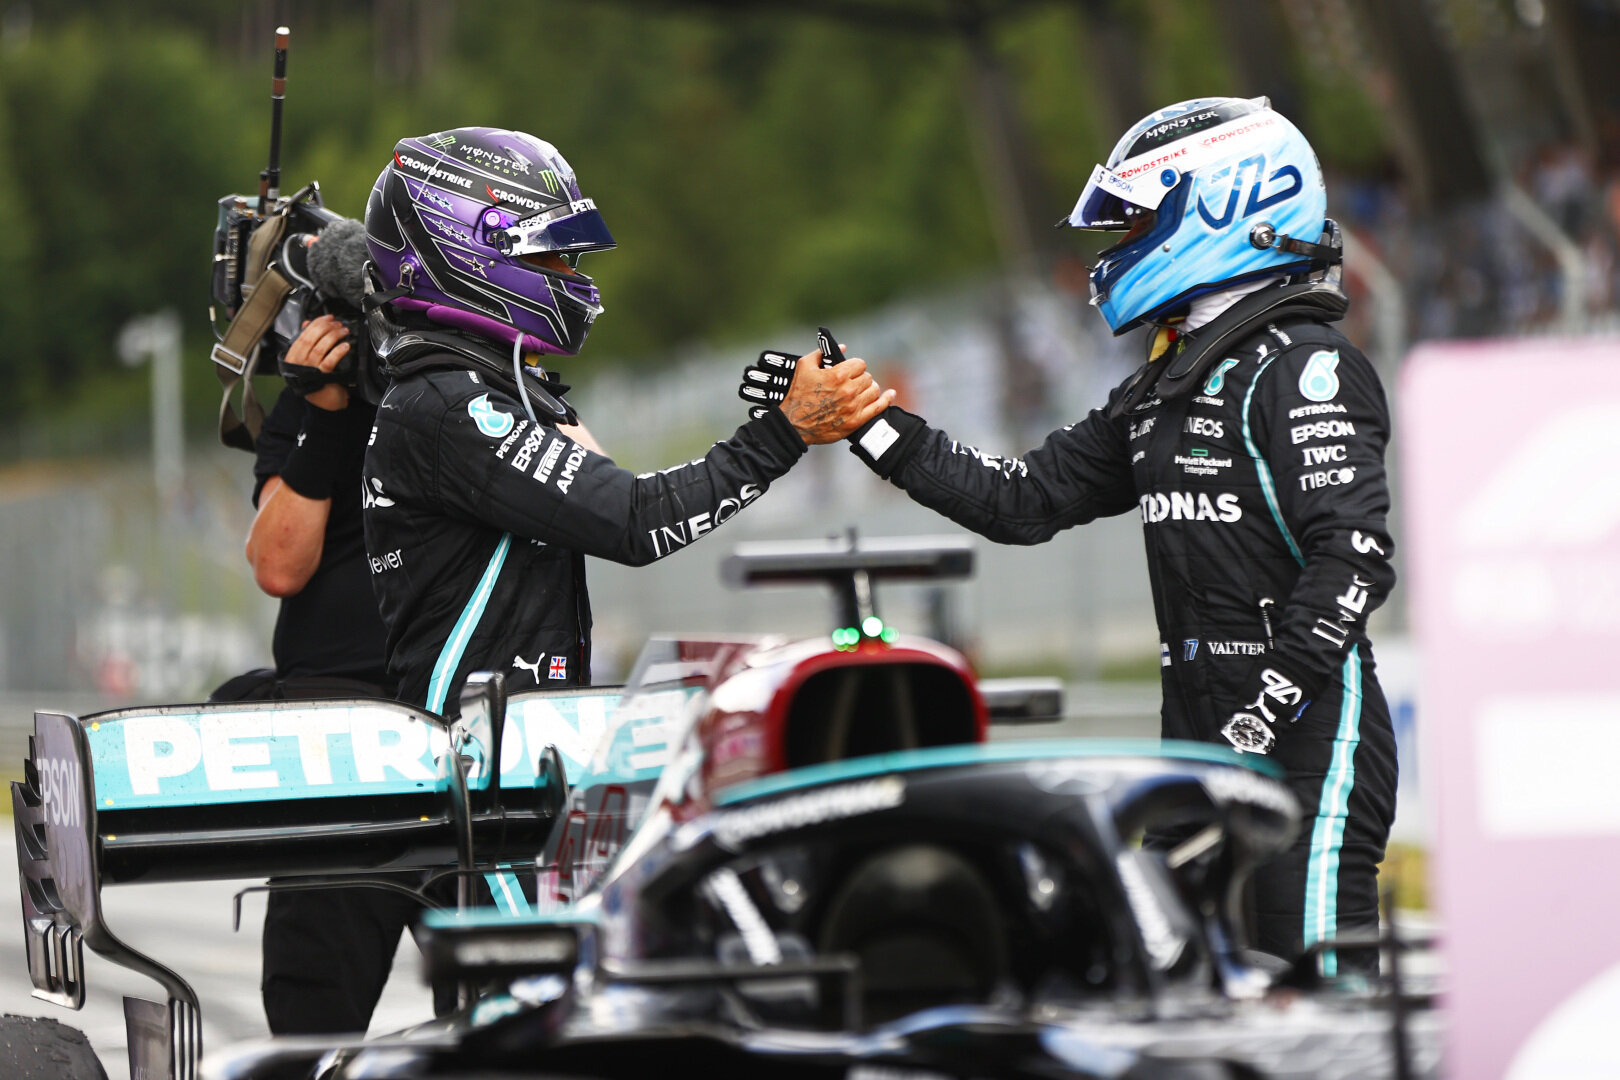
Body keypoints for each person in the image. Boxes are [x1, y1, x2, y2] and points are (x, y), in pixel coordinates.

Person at [837, 97, 1396, 974]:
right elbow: (1020, 501)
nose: (1119, 242)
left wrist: (1266, 709)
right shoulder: (1166, 381)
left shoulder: (1303, 366)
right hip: (1200, 743)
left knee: (1318, 1007)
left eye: (1141, 217)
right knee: (1173, 996)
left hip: (1307, 745)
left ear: (1225, 204)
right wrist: (870, 424)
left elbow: (1355, 556)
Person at [360, 127, 888, 713]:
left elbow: (596, 483)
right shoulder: (446, 407)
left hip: (515, 745)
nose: (569, 272)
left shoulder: (473, 387)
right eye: (545, 252)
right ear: (464, 247)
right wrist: (785, 429)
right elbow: (631, 519)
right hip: (473, 765)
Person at [231, 312, 421, 1035]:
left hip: (474, 720)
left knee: (527, 1008)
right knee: (311, 1025)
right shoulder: (313, 397)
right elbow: (278, 565)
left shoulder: (504, 382)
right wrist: (325, 412)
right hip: (343, 737)